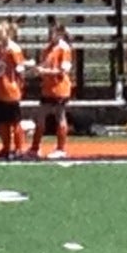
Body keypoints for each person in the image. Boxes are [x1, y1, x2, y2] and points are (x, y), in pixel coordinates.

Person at [0, 22, 30, 159]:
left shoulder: (14, 49)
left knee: (15, 121)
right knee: (3, 122)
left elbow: (20, 70)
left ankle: (19, 148)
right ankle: (6, 148)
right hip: (0, 89)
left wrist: (20, 86)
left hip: (11, 90)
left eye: (1, 31)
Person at [37, 20, 74, 159]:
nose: (50, 36)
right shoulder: (48, 48)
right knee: (41, 116)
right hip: (47, 88)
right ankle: (35, 147)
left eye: (52, 33)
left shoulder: (64, 48)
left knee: (59, 116)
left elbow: (63, 71)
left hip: (59, 88)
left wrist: (45, 71)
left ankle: (61, 148)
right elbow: (45, 65)